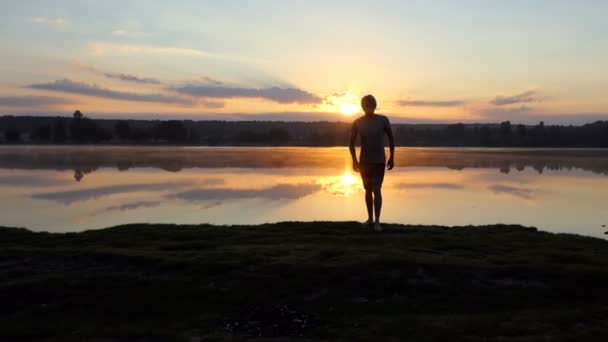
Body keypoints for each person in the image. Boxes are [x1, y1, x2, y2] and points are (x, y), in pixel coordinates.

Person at [349, 95, 395, 232]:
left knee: (377, 189)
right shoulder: (357, 122)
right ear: (363, 106)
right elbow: (350, 144)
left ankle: (377, 222)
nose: (369, 107)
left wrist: (392, 157)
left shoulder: (383, 120)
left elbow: (391, 139)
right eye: (366, 105)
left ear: (375, 105)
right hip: (364, 162)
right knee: (368, 190)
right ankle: (370, 219)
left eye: (371, 105)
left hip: (379, 161)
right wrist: (354, 161)